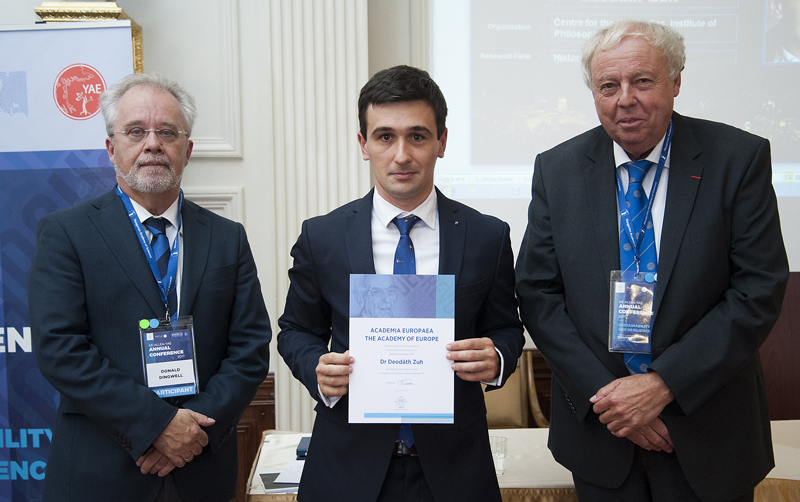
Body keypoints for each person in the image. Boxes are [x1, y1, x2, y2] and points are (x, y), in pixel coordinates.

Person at [515, 19, 789, 502]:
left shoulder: (737, 159)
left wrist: (664, 385)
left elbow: (757, 290)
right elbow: (538, 293)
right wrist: (611, 399)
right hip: (601, 437)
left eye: (642, 80)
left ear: (676, 81)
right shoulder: (557, 170)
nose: (625, 99)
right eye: (608, 85)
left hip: (707, 433)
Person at [278, 65, 525, 502]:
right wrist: (318, 367)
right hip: (346, 465)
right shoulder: (323, 236)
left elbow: (506, 328)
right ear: (363, 144)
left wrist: (498, 359)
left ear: (441, 142)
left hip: (455, 468)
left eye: (417, 136)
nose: (402, 155)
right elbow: (296, 330)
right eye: (385, 136)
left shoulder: (487, 236)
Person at [29, 73, 272, 502]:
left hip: (201, 471)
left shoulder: (226, 237)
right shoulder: (66, 233)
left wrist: (192, 431)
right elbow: (60, 349)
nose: (153, 143)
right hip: (101, 472)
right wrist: (157, 426)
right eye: (136, 131)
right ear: (111, 148)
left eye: (167, 132)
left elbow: (249, 348)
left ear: (188, 150)